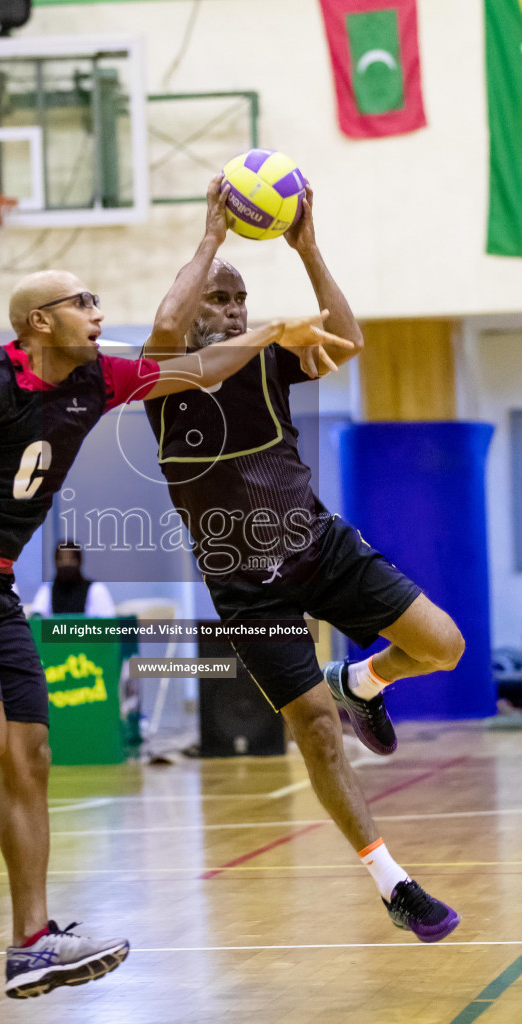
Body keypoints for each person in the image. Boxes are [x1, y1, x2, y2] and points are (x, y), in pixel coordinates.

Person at [0, 176, 353, 999]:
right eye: (83, 302)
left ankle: (31, 941)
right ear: (39, 322)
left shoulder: (96, 380)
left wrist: (264, 334)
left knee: (30, 754)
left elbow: (190, 368)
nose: (98, 313)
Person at [143, 182, 465, 943]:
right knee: (315, 732)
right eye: (218, 299)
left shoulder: (269, 364)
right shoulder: (159, 381)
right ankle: (393, 884)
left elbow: (348, 342)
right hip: (243, 589)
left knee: (443, 646)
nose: (233, 309)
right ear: (193, 309)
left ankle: (360, 678)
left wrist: (307, 246)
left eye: (240, 299)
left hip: (318, 547)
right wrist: (211, 238)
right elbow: (162, 325)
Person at [29, 541, 116, 618]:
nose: (66, 563)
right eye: (61, 560)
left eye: (71, 559)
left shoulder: (96, 589)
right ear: (55, 562)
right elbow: (37, 618)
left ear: (79, 561)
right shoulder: (47, 590)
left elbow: (107, 625)